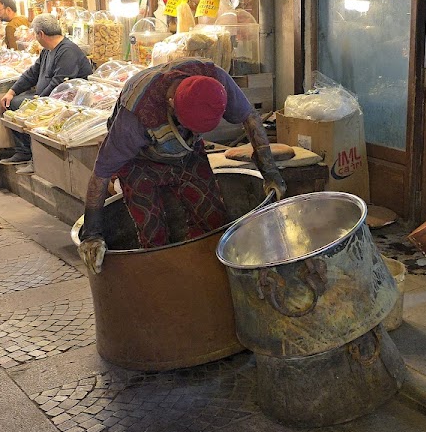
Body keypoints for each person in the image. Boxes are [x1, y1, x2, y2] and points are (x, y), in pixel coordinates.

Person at [78, 58, 286, 274]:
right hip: (139, 162)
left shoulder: (215, 79)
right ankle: (165, 283)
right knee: (152, 232)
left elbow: (250, 117)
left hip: (187, 151)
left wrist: (270, 172)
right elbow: (101, 175)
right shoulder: (135, 117)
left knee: (214, 221)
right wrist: (92, 234)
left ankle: (211, 277)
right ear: (170, 102)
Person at [0, 14, 93, 167]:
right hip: (44, 97)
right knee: (11, 103)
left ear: (41, 34)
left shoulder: (67, 51)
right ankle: (24, 152)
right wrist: (12, 91)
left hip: (66, 102)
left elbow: (59, 85)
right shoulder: (46, 51)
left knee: (19, 106)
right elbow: (32, 73)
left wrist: (37, 102)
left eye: (35, 34)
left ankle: (33, 156)